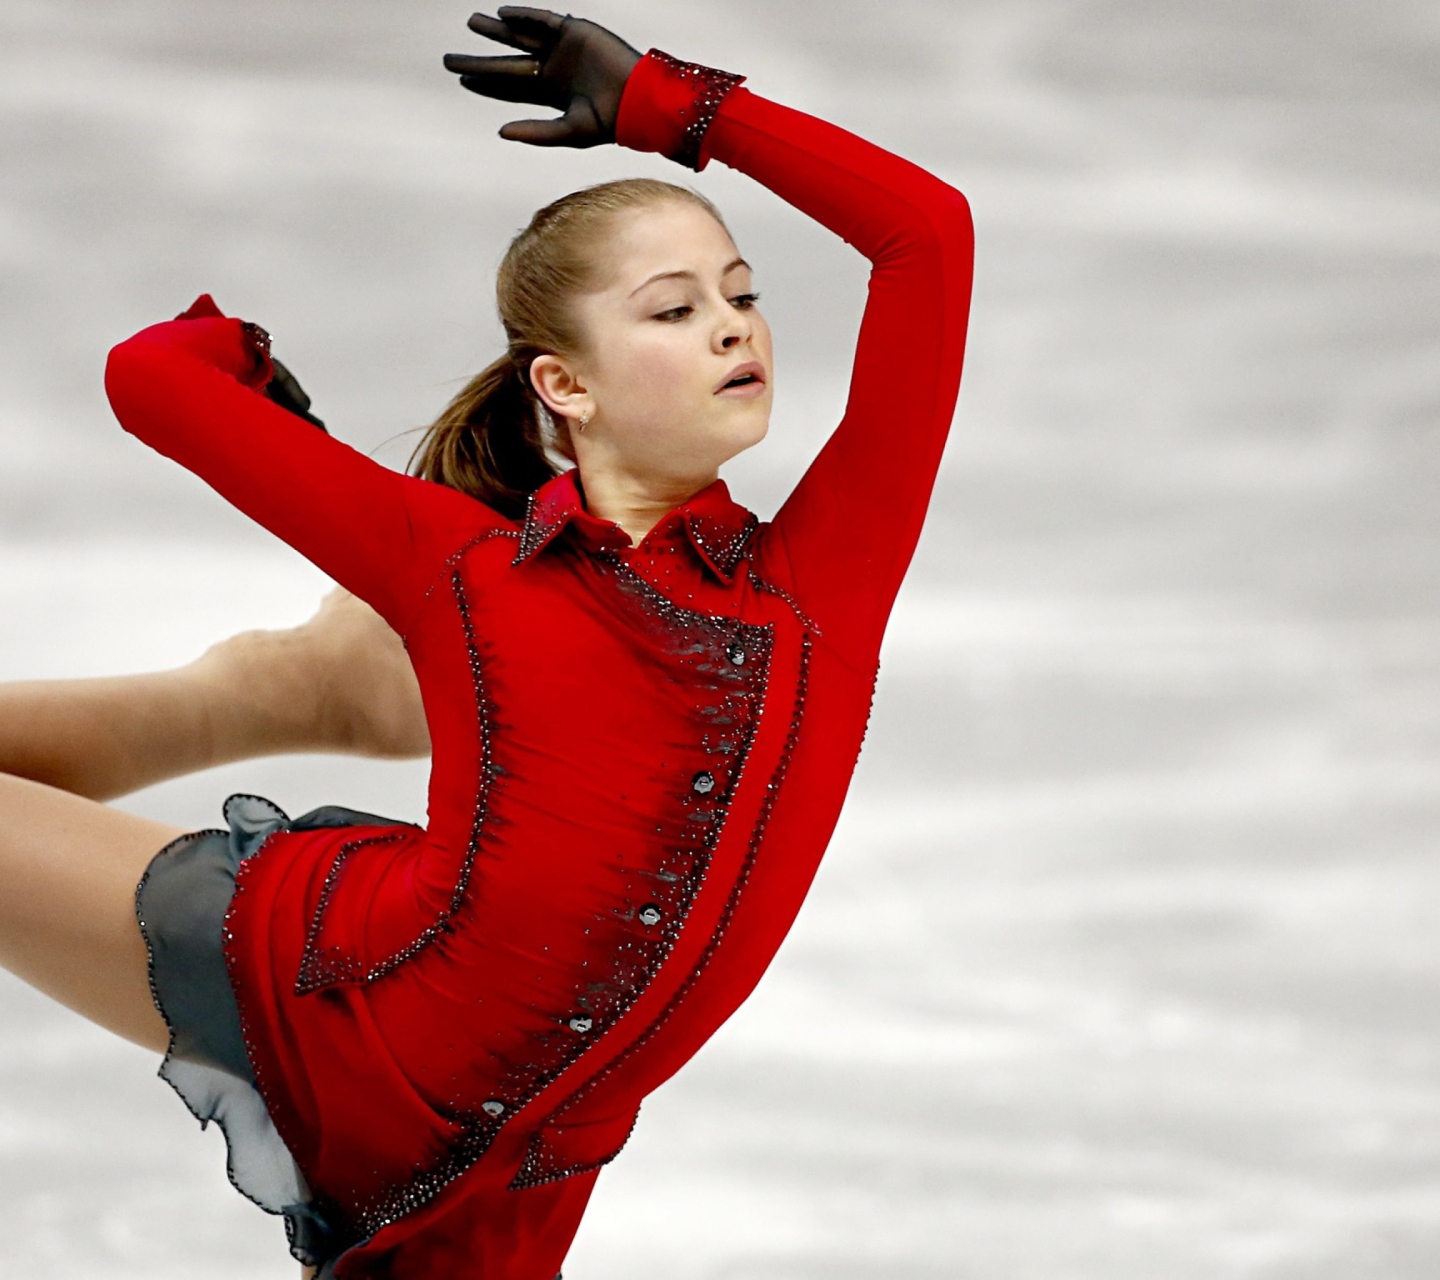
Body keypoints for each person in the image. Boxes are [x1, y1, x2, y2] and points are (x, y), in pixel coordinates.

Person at [0, 8, 974, 1277]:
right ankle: (255, 692)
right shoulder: (468, 570)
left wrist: (681, 109)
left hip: (520, 1164)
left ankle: (285, 684)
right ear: (563, 385)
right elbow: (148, 377)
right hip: (333, 1008)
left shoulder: (817, 588)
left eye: (741, 295)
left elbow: (929, 240)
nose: (736, 326)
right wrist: (246, 368)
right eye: (674, 311)